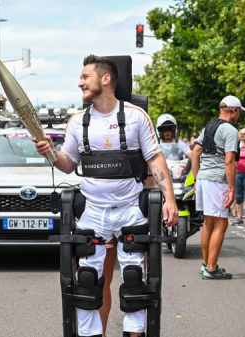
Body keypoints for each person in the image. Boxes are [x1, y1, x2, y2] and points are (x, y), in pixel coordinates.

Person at [34, 55, 178, 337]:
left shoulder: (137, 117)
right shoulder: (78, 122)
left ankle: (134, 334)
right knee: (86, 283)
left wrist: (169, 199)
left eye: (85, 77)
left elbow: (155, 159)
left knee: (135, 281)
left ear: (105, 79)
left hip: (130, 210)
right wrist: (50, 153)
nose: (80, 83)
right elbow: (68, 165)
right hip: (92, 212)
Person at [191, 95, 243, 280]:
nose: (239, 117)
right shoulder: (230, 130)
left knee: (209, 223)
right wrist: (232, 188)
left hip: (204, 178)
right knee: (221, 223)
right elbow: (229, 161)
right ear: (234, 110)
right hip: (217, 180)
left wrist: (197, 179)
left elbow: (195, 153)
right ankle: (211, 268)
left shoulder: (209, 126)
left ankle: (207, 264)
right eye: (239, 112)